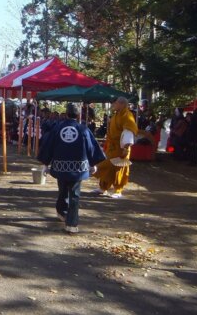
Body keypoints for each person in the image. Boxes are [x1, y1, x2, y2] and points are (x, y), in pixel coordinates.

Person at [38, 103, 106, 234]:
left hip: (60, 166)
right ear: (78, 115)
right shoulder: (83, 129)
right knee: (74, 195)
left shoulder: (57, 128)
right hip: (78, 168)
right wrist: (93, 164)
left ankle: (61, 212)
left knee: (62, 189)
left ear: (66, 114)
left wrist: (45, 164)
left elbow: (48, 146)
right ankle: (72, 224)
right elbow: (91, 147)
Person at [96, 96, 138, 198]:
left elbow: (128, 132)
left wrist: (126, 148)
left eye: (115, 103)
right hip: (112, 146)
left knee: (119, 168)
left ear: (122, 104)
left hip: (121, 147)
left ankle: (118, 191)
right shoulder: (116, 115)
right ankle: (103, 188)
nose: (113, 105)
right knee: (107, 166)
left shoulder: (127, 115)